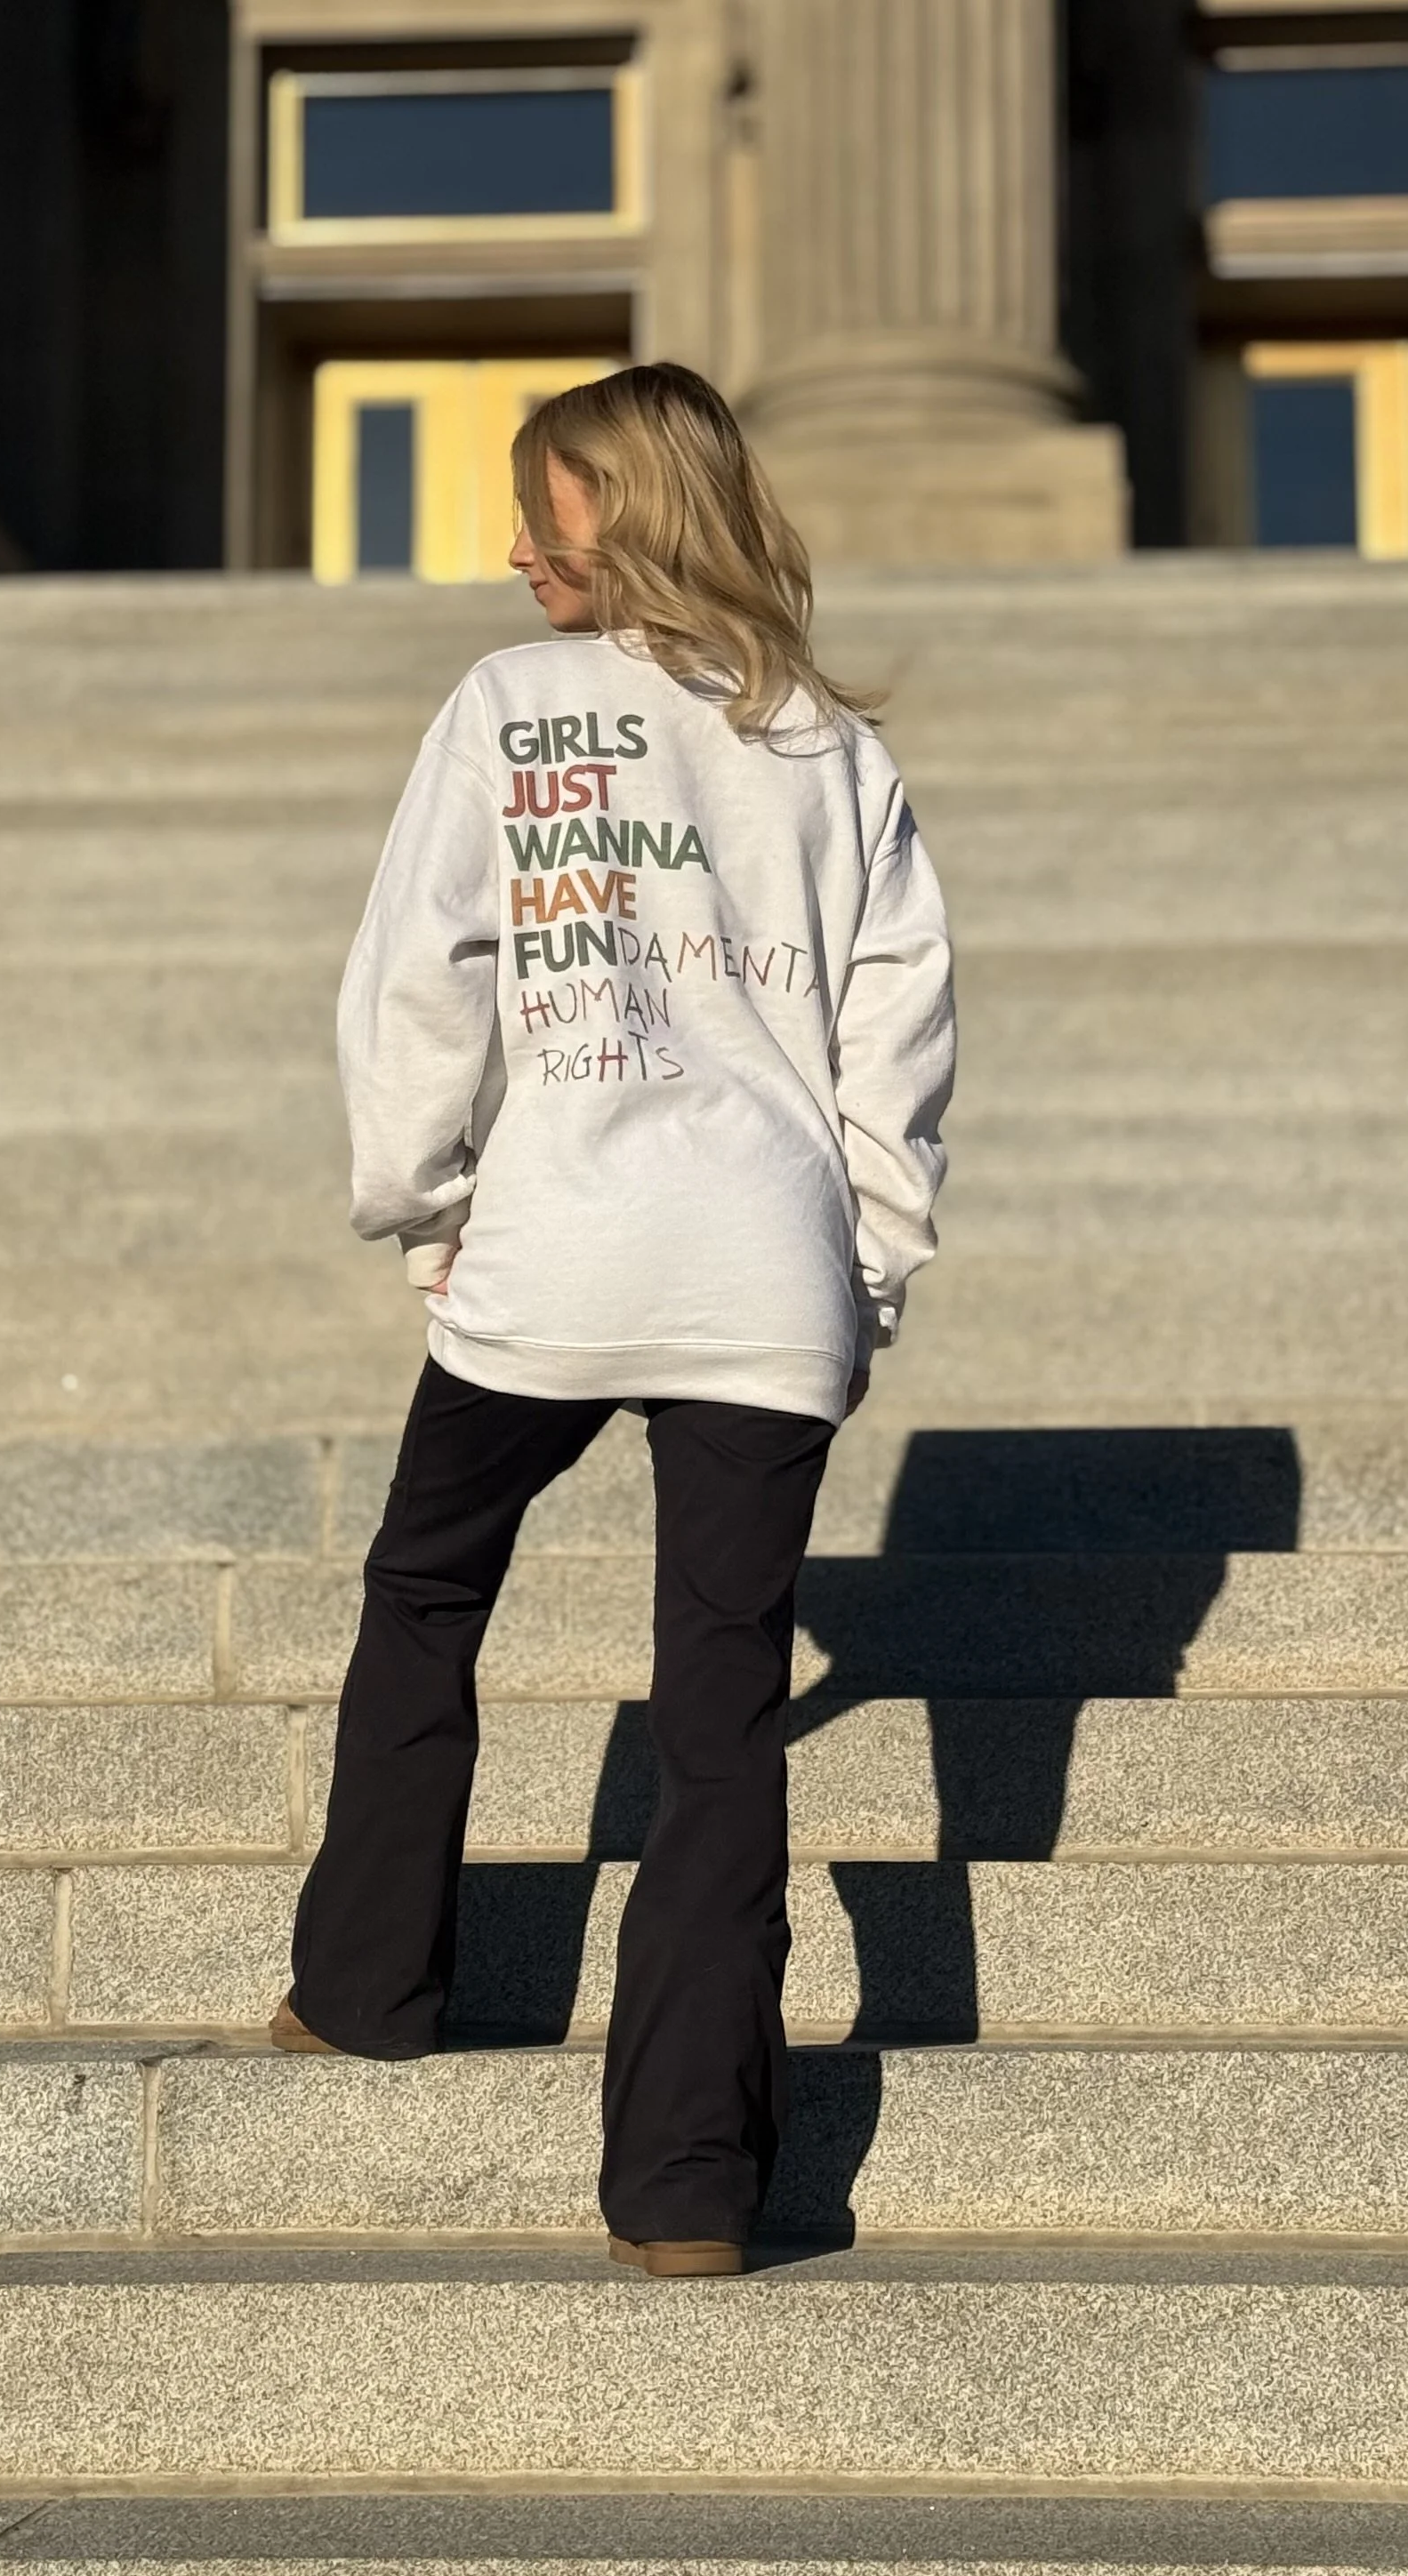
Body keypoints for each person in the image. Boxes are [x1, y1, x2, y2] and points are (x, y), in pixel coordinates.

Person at [271, 363, 954, 2279]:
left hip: (557, 1254)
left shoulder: (510, 704)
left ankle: (367, 1984)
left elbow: (416, 980)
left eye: (545, 512)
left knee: (429, 1584)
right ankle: (689, 2186)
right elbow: (900, 1035)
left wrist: (423, 1208)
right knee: (723, 1717)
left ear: (632, 512)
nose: (516, 549)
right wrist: (867, 1269)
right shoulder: (826, 741)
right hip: (766, 1267)